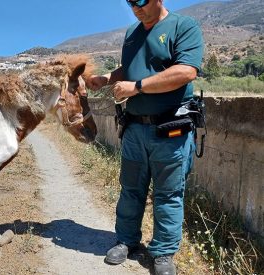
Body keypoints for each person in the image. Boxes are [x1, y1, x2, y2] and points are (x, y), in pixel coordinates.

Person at [87, 0, 204, 274]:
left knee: (169, 193)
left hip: (170, 128)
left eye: (141, 1)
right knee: (130, 190)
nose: (135, 7)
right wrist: (106, 78)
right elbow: (130, 68)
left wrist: (137, 88)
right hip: (135, 129)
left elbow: (186, 71)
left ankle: (163, 252)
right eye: (130, 2)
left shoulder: (183, 26)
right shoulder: (132, 33)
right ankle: (126, 241)